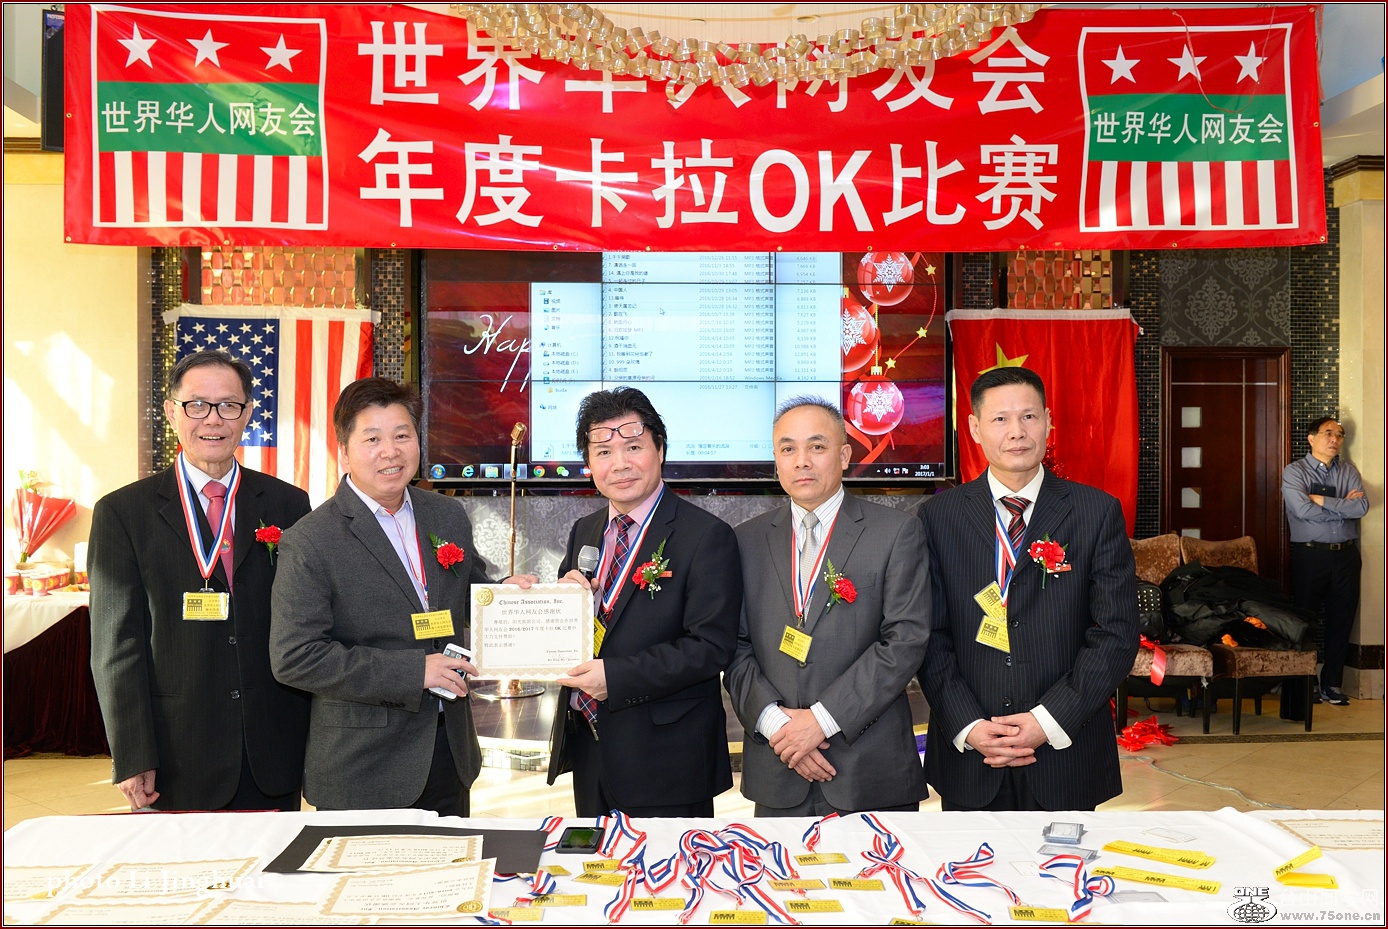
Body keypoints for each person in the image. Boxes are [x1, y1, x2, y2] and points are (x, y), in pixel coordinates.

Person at [270, 377, 534, 815]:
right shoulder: (311, 540)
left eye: (402, 435)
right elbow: (295, 657)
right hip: (364, 766)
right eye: (373, 439)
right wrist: (415, 671)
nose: (390, 451)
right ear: (344, 450)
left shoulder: (446, 514)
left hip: (449, 752)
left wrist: (503, 595)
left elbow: (469, 588)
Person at [89, 350, 312, 811]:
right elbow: (117, 646)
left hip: (271, 749)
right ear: (172, 412)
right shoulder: (123, 513)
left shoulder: (289, 504)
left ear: (247, 414)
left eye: (229, 405)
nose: (213, 419)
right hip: (175, 753)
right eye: (196, 405)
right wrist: (133, 753)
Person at [917, 366, 1138, 811]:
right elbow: (928, 635)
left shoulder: (1096, 512)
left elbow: (1115, 633)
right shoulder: (937, 517)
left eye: (1029, 416)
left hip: (1065, 752)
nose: (1016, 432)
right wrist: (968, 724)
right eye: (1000, 419)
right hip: (972, 755)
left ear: (1048, 421)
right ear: (974, 428)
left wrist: (1047, 720)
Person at [725, 398, 930, 816]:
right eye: (788, 448)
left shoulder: (896, 532)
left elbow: (904, 641)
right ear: (776, 460)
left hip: (869, 771)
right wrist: (778, 727)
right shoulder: (744, 540)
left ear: (844, 455)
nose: (802, 461)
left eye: (817, 446)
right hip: (779, 767)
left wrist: (821, 721)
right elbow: (732, 645)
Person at [547, 387, 742, 817]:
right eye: (603, 452)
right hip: (590, 748)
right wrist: (555, 603)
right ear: (589, 463)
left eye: (633, 447)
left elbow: (711, 648)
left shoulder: (705, 536)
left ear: (660, 449)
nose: (619, 464)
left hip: (666, 758)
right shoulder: (585, 530)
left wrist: (616, 677)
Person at [1282, 417, 1369, 706]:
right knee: (1304, 620)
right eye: (1328, 433)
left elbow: (1361, 507)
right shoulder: (1294, 471)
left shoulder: (1348, 471)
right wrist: (1343, 506)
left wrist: (1321, 500)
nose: (1335, 439)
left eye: (1340, 435)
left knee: (1341, 620)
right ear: (1311, 438)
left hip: (1346, 555)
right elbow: (1302, 510)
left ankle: (1332, 684)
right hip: (1310, 555)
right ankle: (1306, 683)